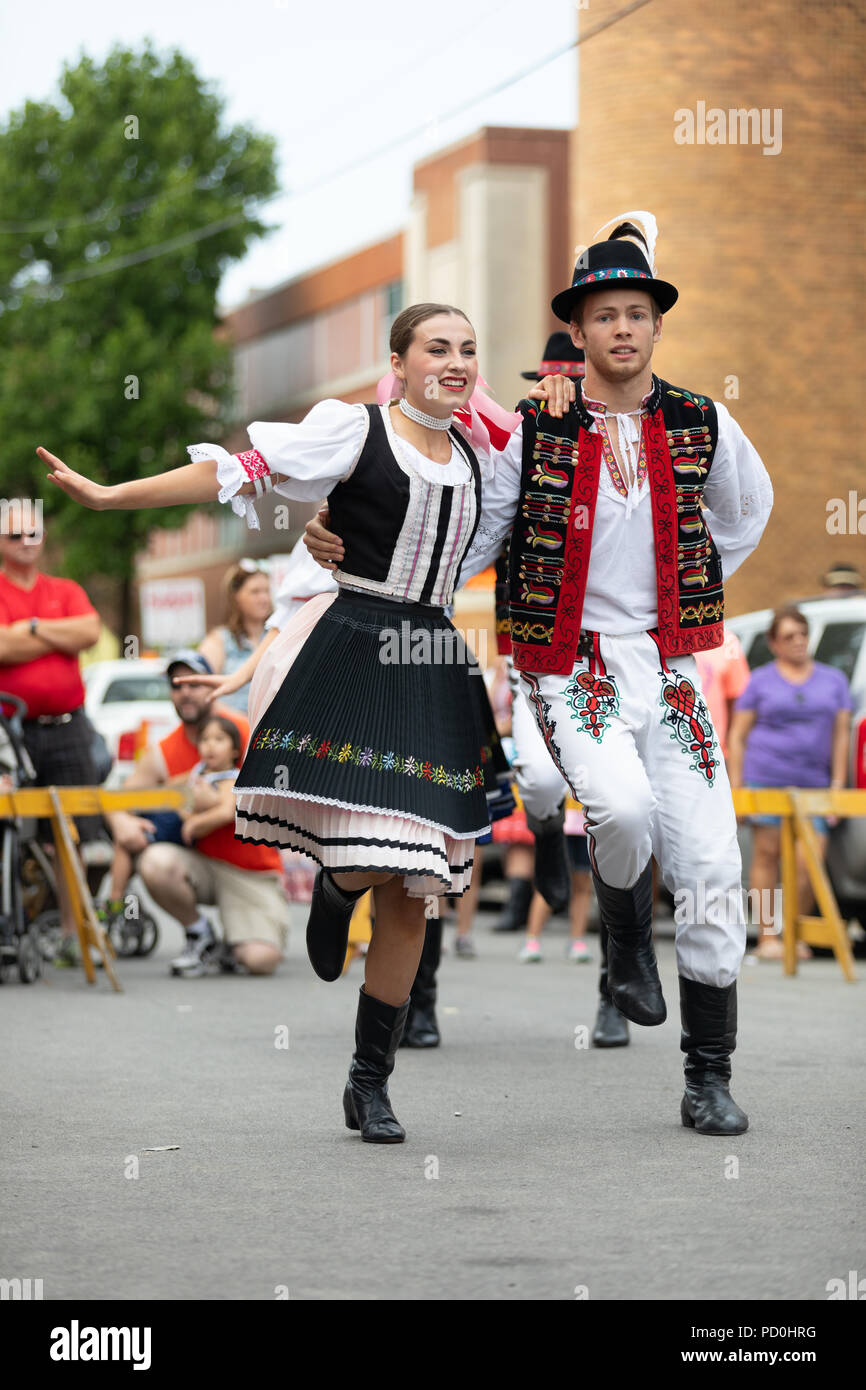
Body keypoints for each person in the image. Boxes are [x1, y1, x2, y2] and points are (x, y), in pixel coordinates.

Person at [36, 303, 566, 1144]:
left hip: (432, 659)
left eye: (468, 350)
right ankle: (339, 880)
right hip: (356, 647)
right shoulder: (351, 431)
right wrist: (111, 497)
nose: (458, 363)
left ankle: (370, 1081)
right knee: (376, 861)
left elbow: (526, 524)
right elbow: (239, 473)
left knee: (416, 887)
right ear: (398, 362)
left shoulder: (482, 460)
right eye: (438, 348)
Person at [306, 217, 774, 1135]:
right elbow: (471, 529)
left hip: (671, 665)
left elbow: (745, 515)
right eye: (606, 316)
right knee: (624, 809)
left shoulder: (702, 421)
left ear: (656, 327)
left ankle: (708, 1075)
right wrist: (349, 547)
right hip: (573, 663)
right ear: (582, 331)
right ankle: (629, 938)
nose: (624, 330)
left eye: (638, 313)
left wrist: (689, 585)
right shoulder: (534, 432)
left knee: (716, 867)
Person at [99, 650, 288, 977]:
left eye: (194, 683)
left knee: (260, 961)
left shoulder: (243, 730)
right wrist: (122, 822)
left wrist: (208, 807)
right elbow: (117, 798)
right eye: (176, 685)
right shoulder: (164, 751)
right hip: (199, 865)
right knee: (155, 860)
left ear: (212, 686)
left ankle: (239, 939)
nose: (185, 692)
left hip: (250, 867)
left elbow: (278, 793)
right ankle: (200, 933)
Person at [0, 506, 101, 965]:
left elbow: (90, 631)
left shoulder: (66, 589)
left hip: (67, 728)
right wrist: (58, 637)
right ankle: (11, 924)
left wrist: (33, 629)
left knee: (72, 832)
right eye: (14, 532)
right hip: (9, 733)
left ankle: (72, 933)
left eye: (33, 531)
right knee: (9, 829)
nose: (26, 539)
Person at [727, 607, 852, 961]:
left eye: (802, 634)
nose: (798, 642)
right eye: (789, 636)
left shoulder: (833, 681)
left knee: (808, 860)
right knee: (766, 854)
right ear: (774, 643)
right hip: (766, 778)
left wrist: (838, 783)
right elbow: (738, 736)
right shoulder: (761, 681)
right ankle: (768, 935)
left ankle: (794, 930)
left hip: (814, 783)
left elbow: (841, 735)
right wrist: (738, 788)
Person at [103, 711, 244, 918]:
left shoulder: (229, 779)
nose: (210, 745)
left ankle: (114, 901)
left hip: (177, 828)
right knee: (125, 835)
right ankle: (118, 898)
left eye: (219, 739)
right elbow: (171, 785)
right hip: (169, 818)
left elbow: (225, 811)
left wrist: (194, 822)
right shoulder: (199, 771)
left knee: (124, 843)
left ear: (234, 750)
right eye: (204, 740)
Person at [198, 561, 273, 715]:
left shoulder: (280, 636)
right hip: (235, 732)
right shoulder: (219, 641)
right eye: (255, 592)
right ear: (236, 597)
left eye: (266, 591)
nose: (264, 598)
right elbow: (201, 694)